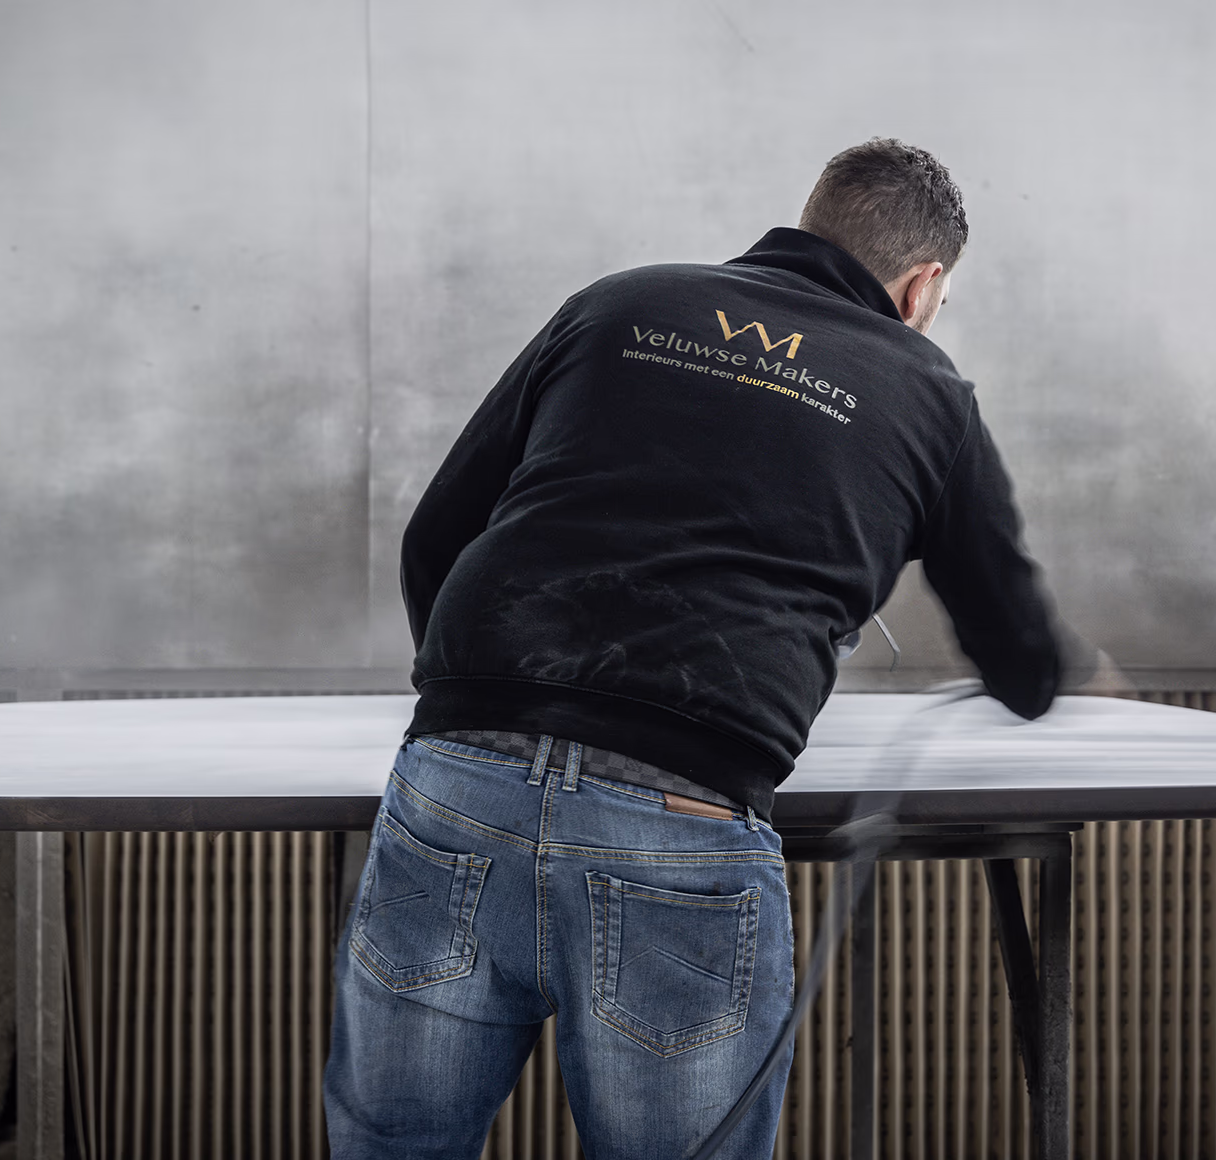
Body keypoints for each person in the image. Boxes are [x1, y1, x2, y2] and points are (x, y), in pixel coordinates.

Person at [324, 138, 1067, 1159]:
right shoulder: (926, 387)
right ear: (922, 283)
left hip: (456, 782)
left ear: (809, 221)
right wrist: (1057, 677)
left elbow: (434, 538)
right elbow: (1017, 652)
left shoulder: (619, 303)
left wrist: (482, 716)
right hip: (681, 816)